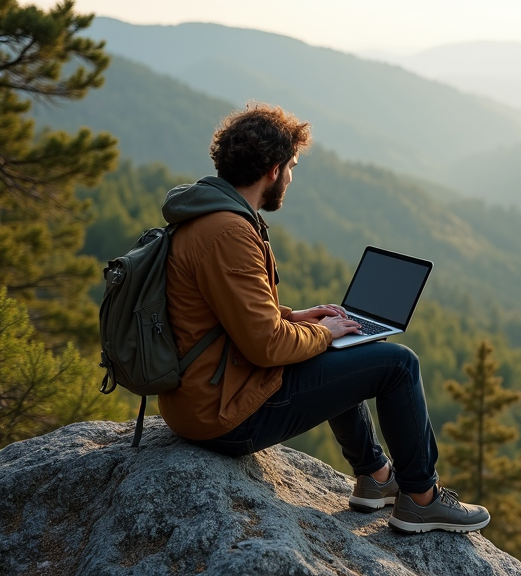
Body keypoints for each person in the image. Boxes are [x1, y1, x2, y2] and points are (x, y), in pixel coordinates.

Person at [158, 103, 489, 534]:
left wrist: (295, 316)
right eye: (292, 167)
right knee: (397, 364)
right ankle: (421, 499)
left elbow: (222, 312)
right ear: (274, 170)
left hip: (202, 398)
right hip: (225, 414)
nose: (292, 178)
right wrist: (318, 332)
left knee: (341, 344)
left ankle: (376, 478)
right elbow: (265, 345)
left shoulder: (206, 215)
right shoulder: (230, 231)